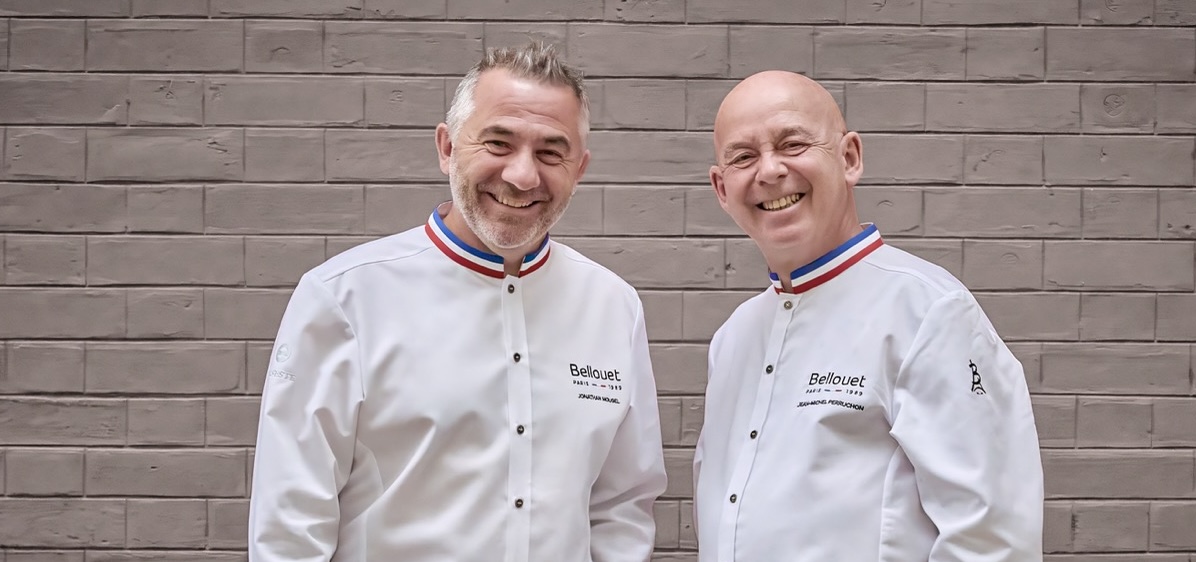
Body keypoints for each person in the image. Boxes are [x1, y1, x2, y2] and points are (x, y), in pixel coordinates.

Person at [248, 42, 667, 562]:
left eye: (550, 152)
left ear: (579, 169)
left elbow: (622, 507)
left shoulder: (614, 307)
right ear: (447, 147)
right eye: (498, 142)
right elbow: (291, 521)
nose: (522, 175)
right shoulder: (344, 299)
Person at [692, 70, 1044, 561]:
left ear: (849, 157)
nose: (769, 171)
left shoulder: (928, 312)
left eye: (792, 143)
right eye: (743, 157)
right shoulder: (732, 339)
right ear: (721, 188)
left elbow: (992, 538)